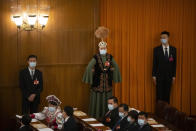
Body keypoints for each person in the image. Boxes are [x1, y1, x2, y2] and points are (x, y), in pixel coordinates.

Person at [83, 26, 121, 119]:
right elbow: (88, 68)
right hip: (98, 83)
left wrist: (114, 73)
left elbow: (116, 67)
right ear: (99, 48)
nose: (103, 49)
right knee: (99, 98)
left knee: (107, 100)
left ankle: (106, 117)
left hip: (107, 84)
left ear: (106, 47)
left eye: (104, 48)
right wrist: (91, 75)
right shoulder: (96, 57)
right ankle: (97, 117)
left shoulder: (109, 57)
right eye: (101, 48)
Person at [152, 31, 176, 103]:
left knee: (167, 95)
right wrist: (153, 75)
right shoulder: (156, 49)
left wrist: (174, 76)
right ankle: (159, 113)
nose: (162, 39)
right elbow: (154, 63)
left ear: (168, 38)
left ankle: (166, 113)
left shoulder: (173, 49)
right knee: (159, 96)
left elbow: (174, 63)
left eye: (164, 37)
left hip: (169, 76)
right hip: (159, 76)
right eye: (161, 38)